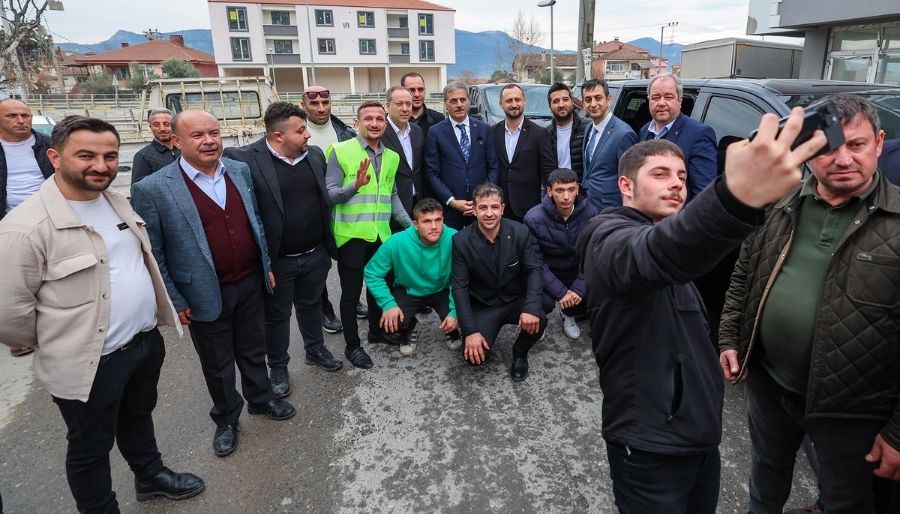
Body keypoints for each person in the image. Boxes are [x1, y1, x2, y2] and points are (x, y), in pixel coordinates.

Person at [576, 108, 827, 513]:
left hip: (699, 438)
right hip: (650, 446)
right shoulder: (606, 236)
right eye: (660, 174)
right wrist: (735, 195)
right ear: (625, 184)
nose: (676, 184)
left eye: (682, 176)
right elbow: (655, 255)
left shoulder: (670, 237)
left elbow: (718, 273)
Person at [0, 115, 205, 513]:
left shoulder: (116, 202)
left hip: (143, 343)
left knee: (138, 417)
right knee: (90, 446)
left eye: (110, 156)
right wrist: (50, 342)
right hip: (90, 361)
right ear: (55, 157)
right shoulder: (24, 228)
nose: (101, 165)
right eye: (86, 155)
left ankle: (150, 477)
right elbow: (9, 312)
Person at [719, 94, 900, 514]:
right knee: (766, 475)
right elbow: (745, 273)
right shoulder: (780, 203)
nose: (842, 159)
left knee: (845, 500)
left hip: (853, 410)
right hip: (770, 386)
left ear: (878, 143)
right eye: (828, 147)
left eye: (856, 145)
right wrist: (730, 335)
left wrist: (897, 433)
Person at [132, 109, 296, 459]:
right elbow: (154, 252)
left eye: (214, 133)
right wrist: (174, 299)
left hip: (250, 281)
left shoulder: (238, 171)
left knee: (254, 347)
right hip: (202, 291)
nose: (209, 141)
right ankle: (226, 419)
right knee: (217, 362)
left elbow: (255, 223)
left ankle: (260, 399)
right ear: (176, 141)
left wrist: (265, 264)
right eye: (197, 135)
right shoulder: (153, 188)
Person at [223, 102, 343, 399]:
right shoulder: (246, 160)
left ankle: (315, 349)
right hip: (278, 260)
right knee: (276, 316)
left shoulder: (313, 156)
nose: (308, 136)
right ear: (279, 136)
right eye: (301, 131)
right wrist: (262, 263)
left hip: (315, 253)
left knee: (311, 304)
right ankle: (277, 366)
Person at [325, 101, 413, 369]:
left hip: (381, 236)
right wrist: (355, 186)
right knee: (351, 294)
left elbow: (393, 195)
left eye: (379, 119)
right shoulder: (340, 151)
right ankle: (353, 346)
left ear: (385, 124)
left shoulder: (392, 157)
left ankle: (377, 331)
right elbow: (329, 194)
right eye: (368, 119)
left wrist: (411, 228)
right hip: (351, 236)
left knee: (379, 288)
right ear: (357, 122)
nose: (374, 123)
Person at [450, 182, 546, 382]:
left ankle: (519, 352)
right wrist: (470, 331)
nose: (489, 213)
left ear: (503, 208)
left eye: (494, 207)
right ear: (474, 210)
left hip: (513, 298)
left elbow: (534, 270)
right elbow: (459, 287)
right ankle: (483, 333)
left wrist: (530, 307)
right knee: (474, 359)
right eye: (483, 208)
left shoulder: (520, 232)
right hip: (484, 304)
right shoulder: (461, 241)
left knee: (540, 316)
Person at [301, 85, 366, 333]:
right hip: (312, 208)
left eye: (325, 103)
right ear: (303, 104)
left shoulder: (346, 133)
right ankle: (324, 308)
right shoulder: (299, 134)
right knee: (318, 263)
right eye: (314, 104)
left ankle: (352, 298)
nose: (321, 108)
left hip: (343, 203)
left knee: (348, 256)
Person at [364, 198, 461, 356]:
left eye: (438, 220)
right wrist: (388, 304)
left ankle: (452, 329)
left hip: (442, 289)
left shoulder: (454, 238)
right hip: (410, 290)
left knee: (464, 313)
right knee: (392, 322)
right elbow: (372, 272)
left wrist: (455, 313)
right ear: (415, 224)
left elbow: (462, 278)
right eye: (427, 222)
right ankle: (410, 326)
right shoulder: (397, 241)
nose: (434, 227)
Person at [0, 98, 54, 357]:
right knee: (16, 279)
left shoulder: (47, 145)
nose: (21, 120)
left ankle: (52, 327)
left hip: (50, 217)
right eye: (13, 116)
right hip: (8, 221)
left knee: (51, 275)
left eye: (25, 115)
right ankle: (20, 334)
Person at [523, 168, 598, 340]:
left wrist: (578, 289)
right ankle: (542, 319)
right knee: (541, 299)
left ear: (577, 189)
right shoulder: (534, 218)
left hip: (576, 269)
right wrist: (561, 293)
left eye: (571, 190)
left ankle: (569, 315)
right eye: (559, 190)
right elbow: (536, 261)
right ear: (549, 191)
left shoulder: (591, 213)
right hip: (549, 271)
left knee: (593, 291)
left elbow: (593, 255)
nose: (566, 196)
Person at [425, 81, 499, 230]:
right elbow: (431, 173)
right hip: (450, 209)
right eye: (453, 101)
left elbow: (493, 167)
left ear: (468, 101)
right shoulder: (435, 132)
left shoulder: (484, 129)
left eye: (463, 99)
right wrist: (451, 201)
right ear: (445, 103)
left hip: (481, 208)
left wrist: (483, 198)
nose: (459, 104)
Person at [638, 73, 717, 201]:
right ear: (649, 100)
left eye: (668, 97)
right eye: (656, 97)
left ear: (680, 100)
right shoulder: (644, 131)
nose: (661, 103)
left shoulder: (699, 134)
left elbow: (704, 194)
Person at [492, 83, 556, 222]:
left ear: (524, 101)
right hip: (499, 209)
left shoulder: (540, 134)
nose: (514, 104)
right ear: (500, 104)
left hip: (529, 209)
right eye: (509, 101)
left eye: (517, 100)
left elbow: (549, 171)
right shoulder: (492, 133)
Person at [580, 79, 638, 212]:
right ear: (583, 104)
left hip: (611, 209)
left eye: (598, 98)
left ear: (609, 99)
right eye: (588, 100)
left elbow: (631, 180)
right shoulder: (589, 128)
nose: (593, 104)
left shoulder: (624, 134)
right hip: (587, 206)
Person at [381, 85, 426, 220]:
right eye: (399, 104)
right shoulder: (379, 133)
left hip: (417, 202)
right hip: (390, 206)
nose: (405, 109)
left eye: (408, 104)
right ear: (387, 106)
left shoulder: (417, 131)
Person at [547, 83, 590, 183]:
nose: (561, 104)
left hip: (582, 192)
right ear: (550, 107)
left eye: (565, 99)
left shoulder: (588, 127)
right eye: (556, 101)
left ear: (572, 102)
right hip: (557, 192)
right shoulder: (545, 134)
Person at [130, 108, 179, 186]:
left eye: (166, 124)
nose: (162, 129)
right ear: (150, 127)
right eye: (156, 125)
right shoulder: (143, 156)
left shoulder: (185, 149)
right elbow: (138, 189)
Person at [401, 72, 445, 138]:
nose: (417, 95)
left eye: (420, 89)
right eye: (412, 90)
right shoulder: (392, 121)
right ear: (402, 91)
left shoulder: (438, 119)